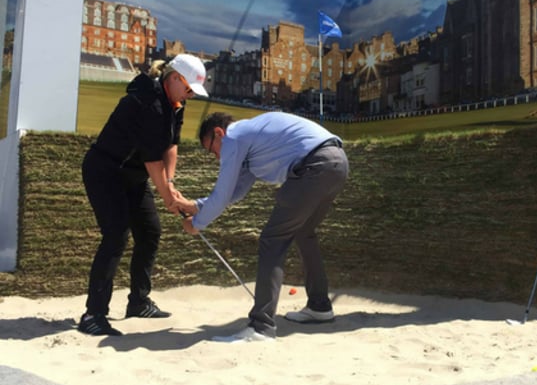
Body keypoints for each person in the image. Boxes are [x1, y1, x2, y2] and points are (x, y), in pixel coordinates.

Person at [175, 112, 348, 342]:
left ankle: (261, 326)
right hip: (337, 163)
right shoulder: (250, 145)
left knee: (272, 239)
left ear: (219, 133)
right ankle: (320, 307)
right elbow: (234, 193)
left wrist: (196, 224)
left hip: (314, 167)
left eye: (212, 150)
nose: (217, 157)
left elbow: (223, 192)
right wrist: (195, 206)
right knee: (304, 233)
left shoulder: (234, 137)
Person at [78, 54, 207, 336]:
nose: (190, 96)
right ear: (174, 79)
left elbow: (170, 146)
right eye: (188, 89)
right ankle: (93, 314)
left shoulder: (175, 103)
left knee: (150, 231)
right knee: (116, 235)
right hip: (106, 170)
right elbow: (152, 160)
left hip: (133, 175)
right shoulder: (149, 103)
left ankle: (138, 301)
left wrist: (170, 183)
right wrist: (169, 198)